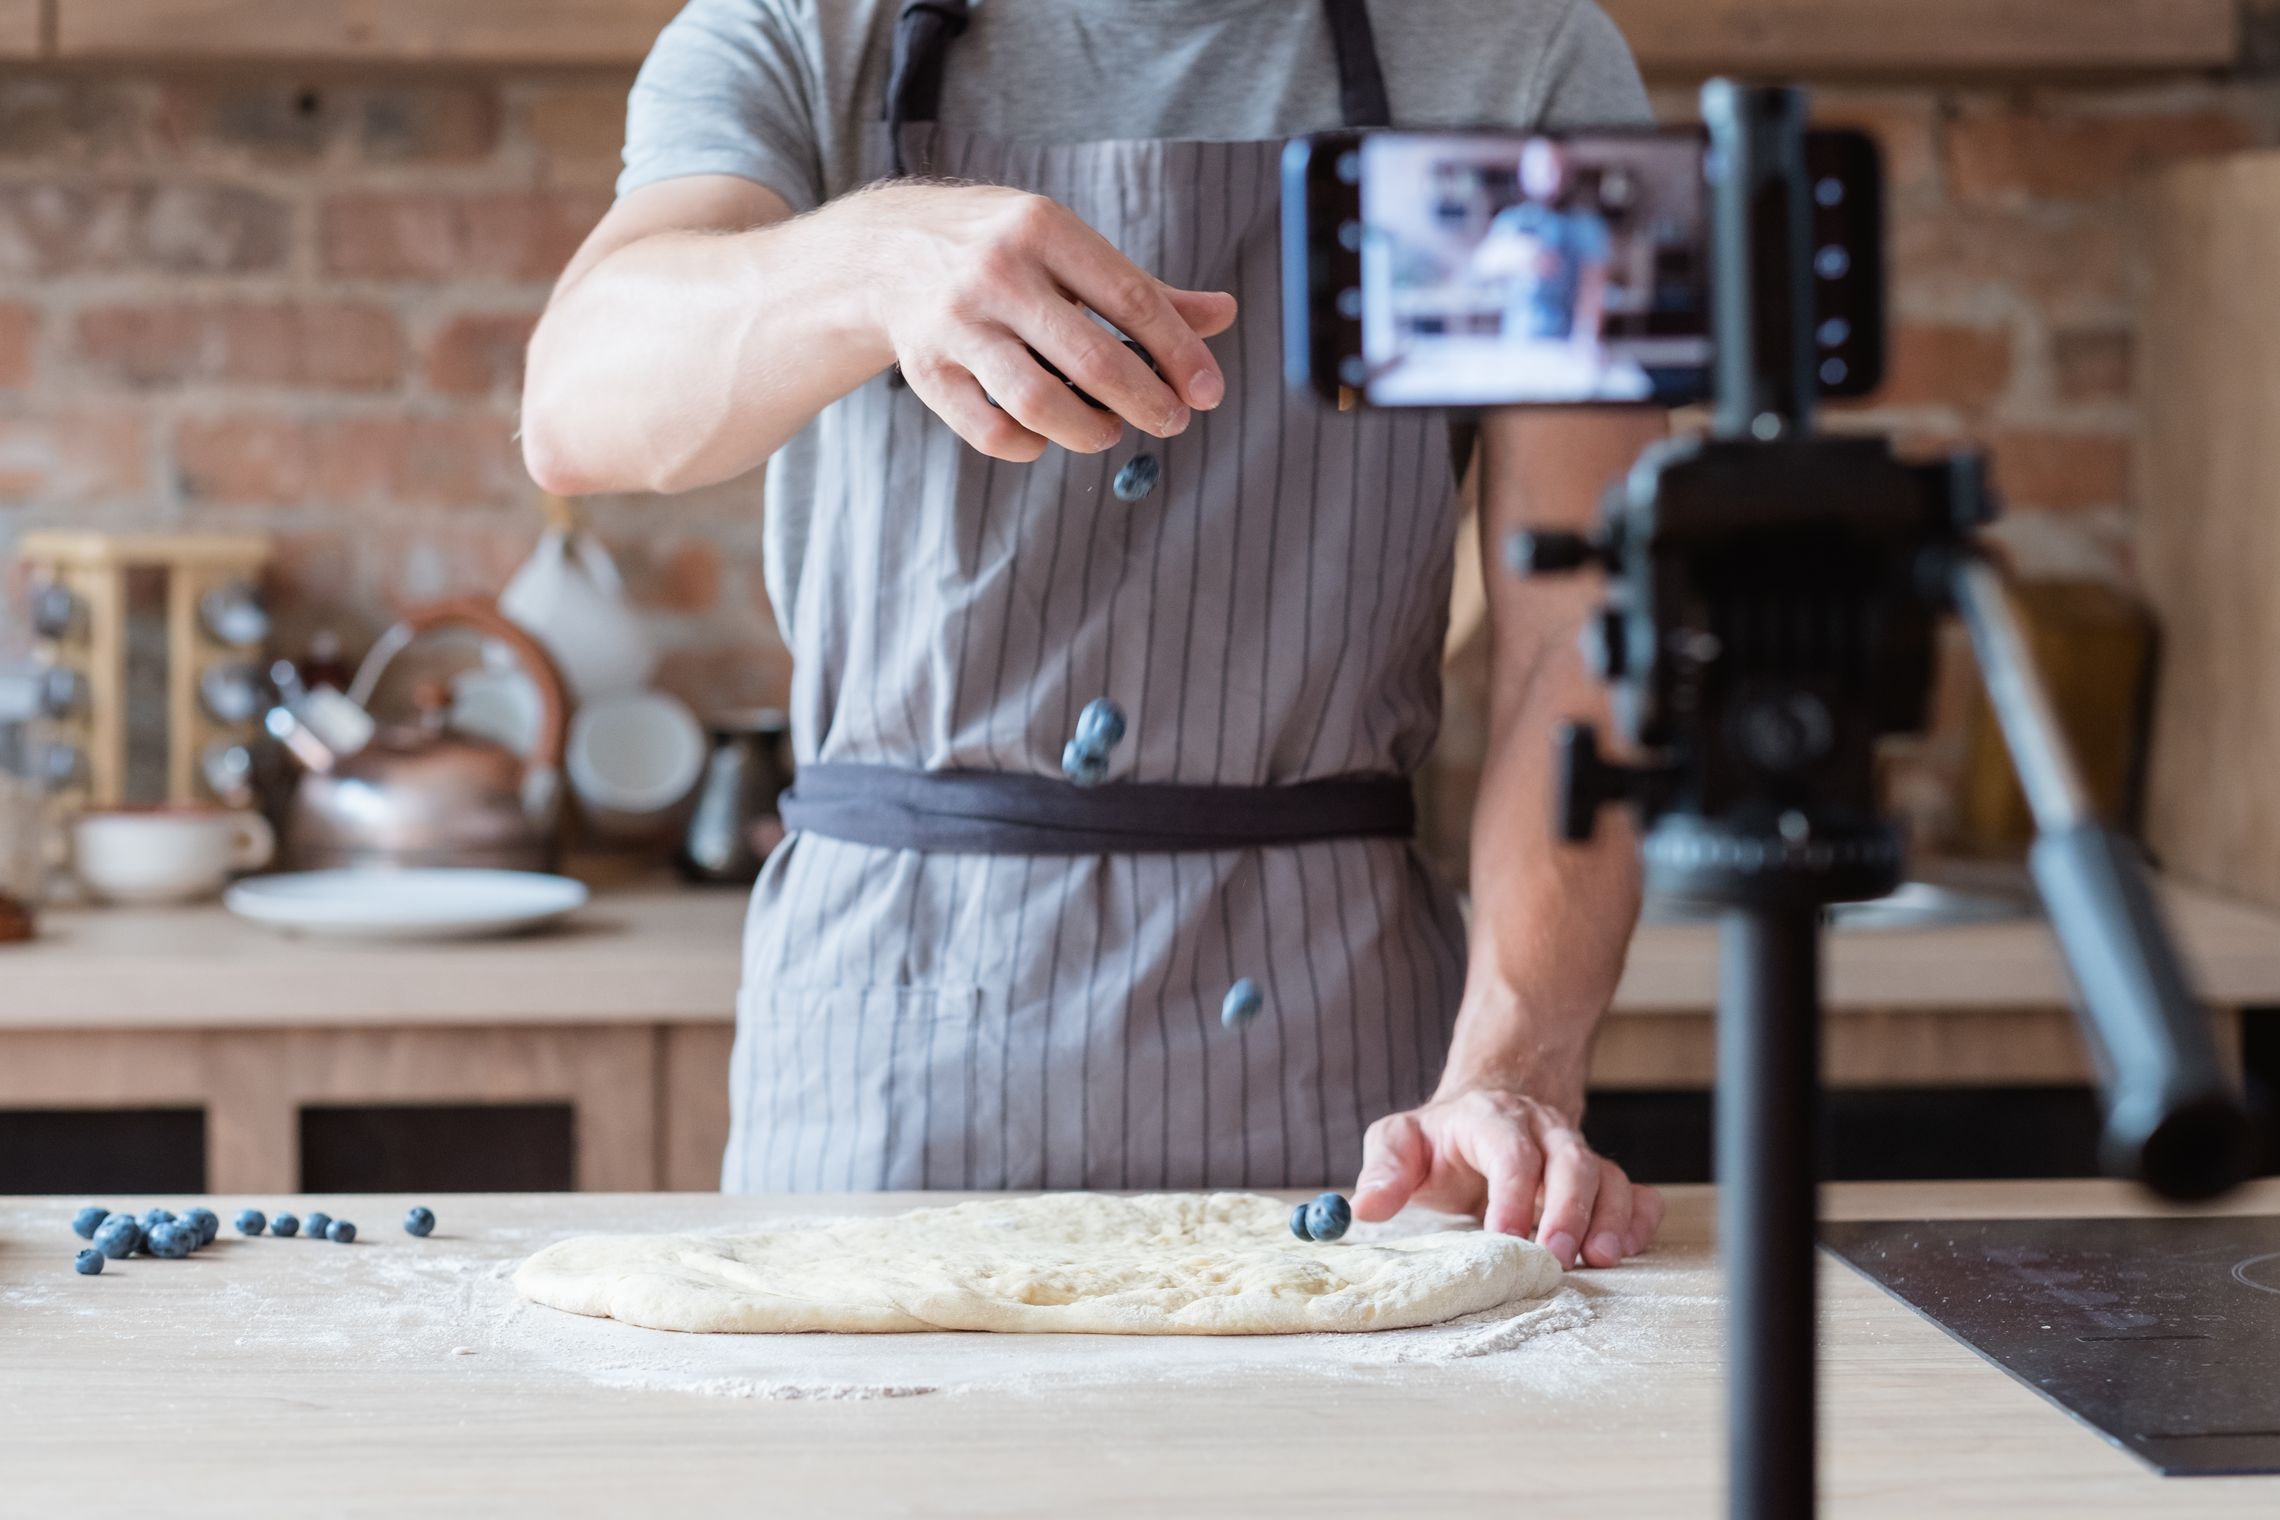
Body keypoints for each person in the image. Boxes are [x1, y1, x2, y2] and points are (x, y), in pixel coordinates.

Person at [521, 0, 1667, 1271]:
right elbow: (578, 404)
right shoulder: (797, 31)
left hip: (1356, 1095)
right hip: (883, 1060)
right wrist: (870, 263)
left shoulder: (1521, 55)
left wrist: (1514, 1069)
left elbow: (1582, 632)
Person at [1471, 140, 1614, 344]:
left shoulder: (1588, 226)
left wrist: (1586, 339)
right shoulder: (1511, 222)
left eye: (1557, 168)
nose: (1551, 177)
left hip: (1568, 344)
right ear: (1525, 174)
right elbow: (1480, 268)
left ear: (1569, 173)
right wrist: (1518, 256)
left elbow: (1593, 290)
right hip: (1518, 341)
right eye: (1542, 167)